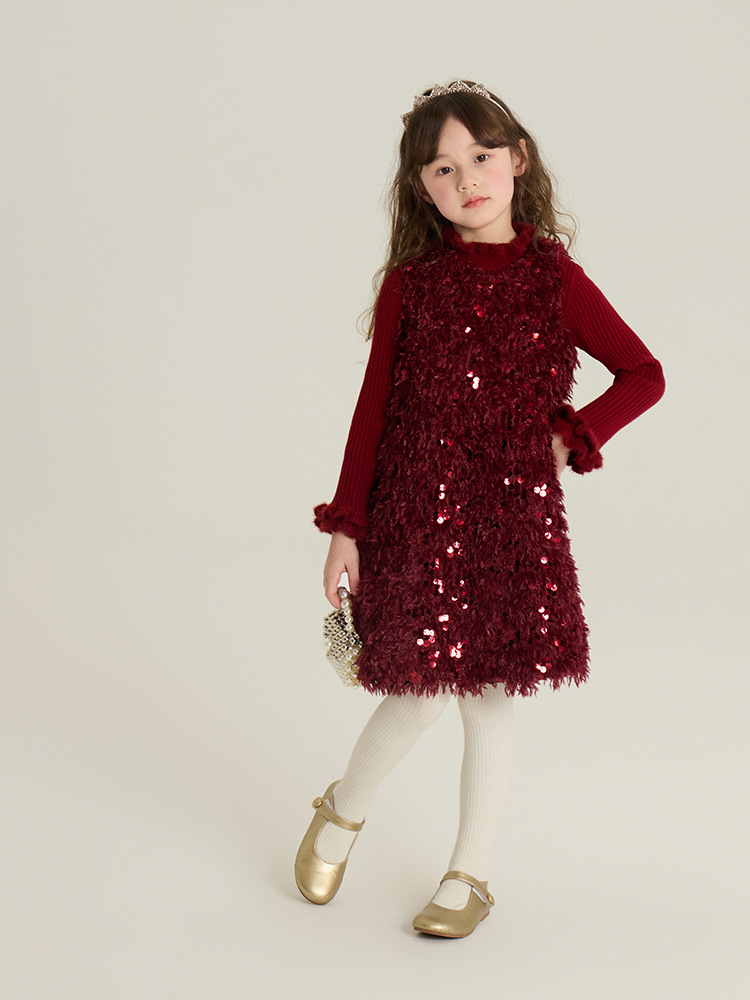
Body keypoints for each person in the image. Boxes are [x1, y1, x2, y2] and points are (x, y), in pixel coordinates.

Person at [295, 80, 665, 938]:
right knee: (418, 692)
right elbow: (373, 409)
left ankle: (470, 873)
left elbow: (643, 374)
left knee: (493, 693)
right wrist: (347, 524)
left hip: (512, 525)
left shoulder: (554, 278)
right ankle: (341, 811)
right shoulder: (412, 285)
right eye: (442, 167)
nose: (466, 178)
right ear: (419, 188)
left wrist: (571, 435)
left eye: (482, 155)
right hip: (417, 516)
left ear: (517, 159)